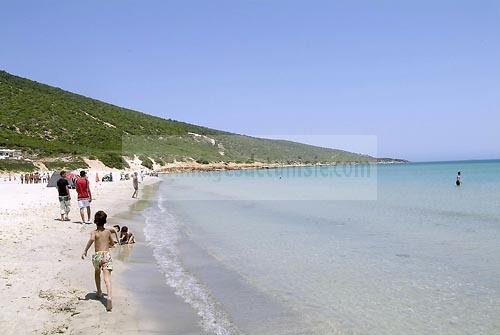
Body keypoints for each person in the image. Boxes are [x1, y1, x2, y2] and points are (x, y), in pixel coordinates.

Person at [81, 211, 114, 312]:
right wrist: (111, 244)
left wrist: (85, 250)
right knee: (107, 278)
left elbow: (91, 240)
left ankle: (99, 292)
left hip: (97, 256)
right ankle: (109, 297)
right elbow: (112, 243)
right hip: (106, 255)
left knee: (97, 273)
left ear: (95, 221)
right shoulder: (108, 232)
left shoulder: (94, 232)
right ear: (105, 221)